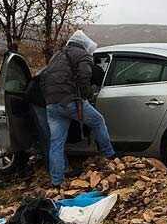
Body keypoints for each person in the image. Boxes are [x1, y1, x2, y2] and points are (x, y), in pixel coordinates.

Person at [40, 30, 116, 187]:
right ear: (84, 44)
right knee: (97, 121)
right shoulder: (82, 55)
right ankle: (110, 156)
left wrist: (49, 98)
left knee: (56, 143)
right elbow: (84, 76)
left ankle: (57, 181)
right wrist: (87, 95)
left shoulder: (56, 56)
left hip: (52, 104)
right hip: (71, 102)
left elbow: (43, 77)